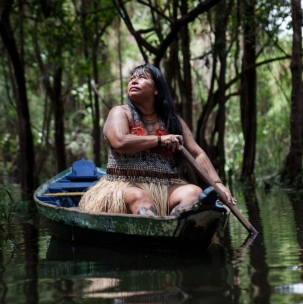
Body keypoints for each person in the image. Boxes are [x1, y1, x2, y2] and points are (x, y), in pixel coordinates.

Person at [79, 63, 236, 216]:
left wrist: (218, 184)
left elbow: (196, 153)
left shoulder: (173, 122)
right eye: (132, 78)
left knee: (194, 192)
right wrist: (159, 140)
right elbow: (120, 141)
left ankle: (174, 228)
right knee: (139, 197)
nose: (133, 81)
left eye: (141, 78)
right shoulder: (120, 113)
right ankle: (158, 231)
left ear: (156, 90)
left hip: (165, 187)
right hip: (124, 186)